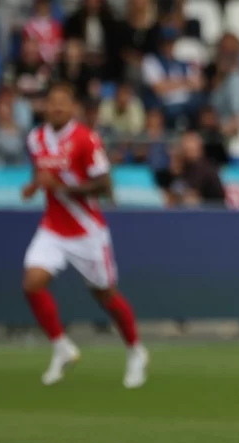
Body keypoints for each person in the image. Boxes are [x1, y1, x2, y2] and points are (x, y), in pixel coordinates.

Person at [21, 82, 149, 389]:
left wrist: (62, 188)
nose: (57, 108)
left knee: (105, 295)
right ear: (45, 107)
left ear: (73, 108)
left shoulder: (85, 139)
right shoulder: (35, 138)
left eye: (63, 103)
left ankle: (135, 350)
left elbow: (104, 185)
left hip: (86, 231)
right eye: (52, 102)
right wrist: (35, 186)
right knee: (32, 283)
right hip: (53, 227)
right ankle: (61, 347)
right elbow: (42, 173)